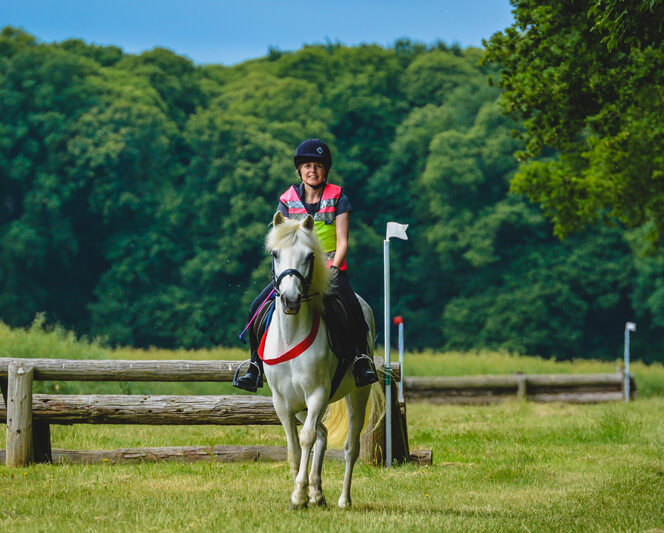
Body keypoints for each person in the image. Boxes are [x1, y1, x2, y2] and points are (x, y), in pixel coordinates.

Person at [233, 138, 378, 392]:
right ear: (300, 169)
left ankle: (360, 360)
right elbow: (280, 240)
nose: (313, 170)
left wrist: (335, 267)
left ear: (326, 170)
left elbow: (343, 241)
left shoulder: (338, 198)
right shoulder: (287, 200)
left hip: (330, 269)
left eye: (319, 165)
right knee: (256, 307)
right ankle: (255, 366)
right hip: (295, 272)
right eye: (308, 165)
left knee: (353, 309)